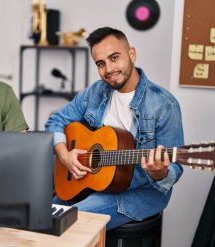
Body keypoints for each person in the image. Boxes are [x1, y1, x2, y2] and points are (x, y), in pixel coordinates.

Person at [45, 27, 184, 230]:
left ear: (132, 54)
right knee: (40, 217)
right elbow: (56, 121)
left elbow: (175, 169)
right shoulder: (95, 92)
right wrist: (64, 155)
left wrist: (160, 172)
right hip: (89, 185)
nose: (108, 69)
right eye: (100, 64)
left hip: (138, 194)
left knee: (72, 222)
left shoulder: (164, 105)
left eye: (114, 58)